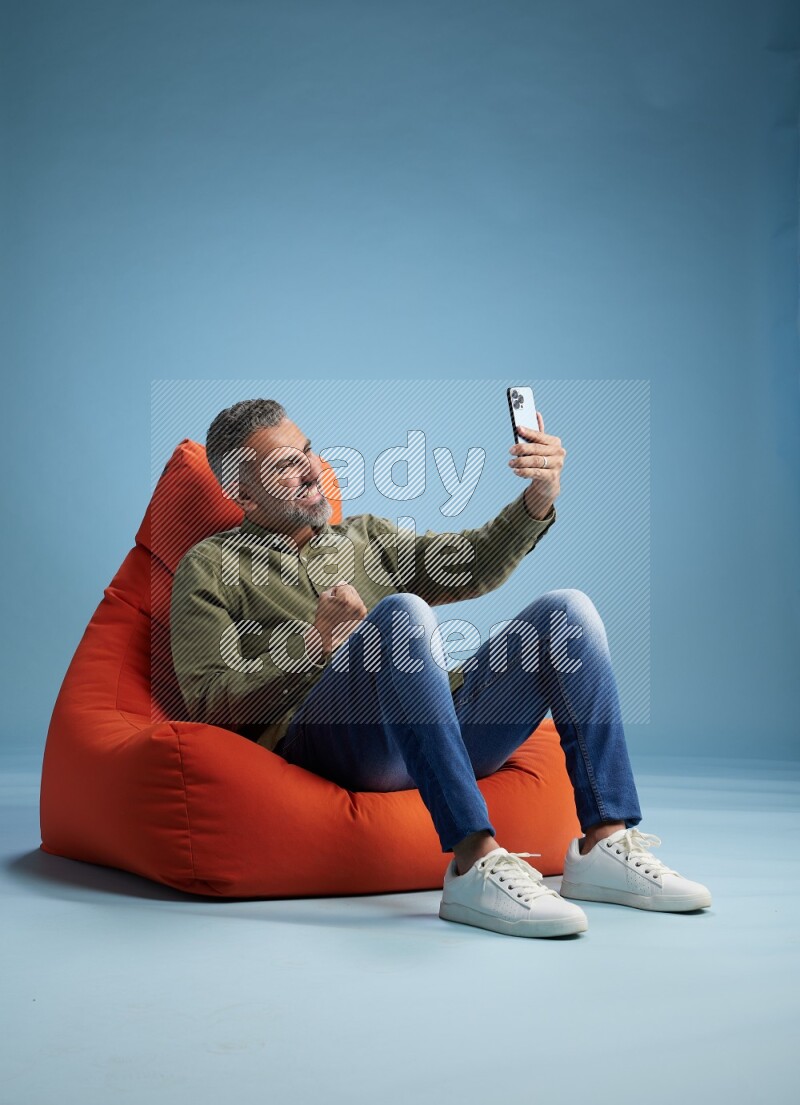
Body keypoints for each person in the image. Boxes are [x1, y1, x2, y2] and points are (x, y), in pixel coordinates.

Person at [170, 398, 711, 939]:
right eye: (285, 465)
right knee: (403, 614)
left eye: (308, 452)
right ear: (241, 491)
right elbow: (208, 699)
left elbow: (473, 561)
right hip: (343, 748)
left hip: (445, 732)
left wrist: (538, 498)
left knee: (567, 613)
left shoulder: (366, 536)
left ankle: (604, 842)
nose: (313, 469)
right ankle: (474, 860)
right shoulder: (211, 565)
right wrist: (315, 643)